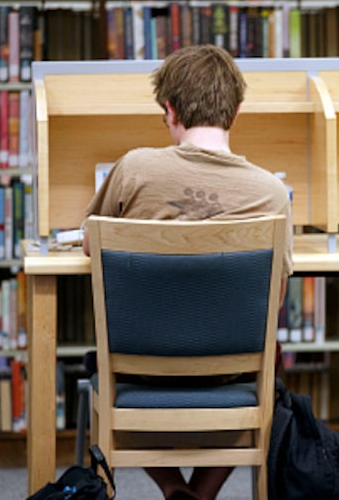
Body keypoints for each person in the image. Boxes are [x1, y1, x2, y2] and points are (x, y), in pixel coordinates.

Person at [81, 44, 293, 500]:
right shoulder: (273, 194)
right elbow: (273, 302)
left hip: (141, 371)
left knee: (101, 361)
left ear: (170, 110)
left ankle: (174, 488)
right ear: (236, 111)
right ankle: (201, 495)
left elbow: (88, 240)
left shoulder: (135, 169)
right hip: (229, 375)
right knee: (268, 369)